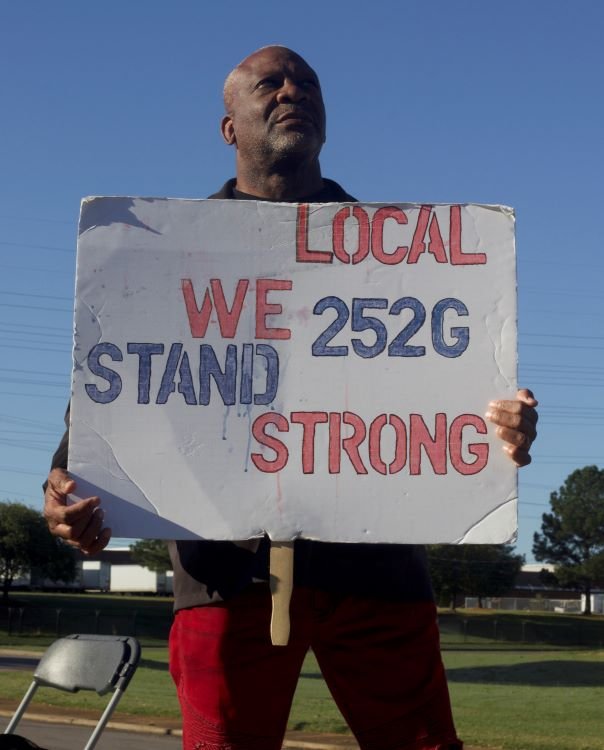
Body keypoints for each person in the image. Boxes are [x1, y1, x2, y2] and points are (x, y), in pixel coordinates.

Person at [44, 46, 538, 750]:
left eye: (307, 83)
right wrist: (65, 495)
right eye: (269, 83)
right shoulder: (160, 254)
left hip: (378, 575)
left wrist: (502, 428)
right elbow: (112, 399)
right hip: (225, 577)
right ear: (228, 127)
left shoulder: (410, 259)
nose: (291, 92)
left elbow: (452, 400)